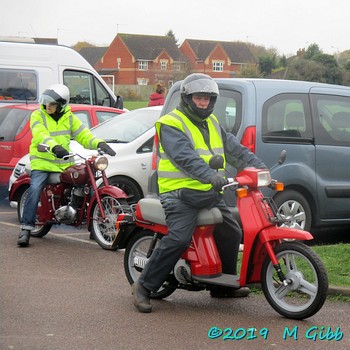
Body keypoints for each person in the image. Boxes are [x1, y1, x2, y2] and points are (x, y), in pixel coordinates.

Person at [132, 73, 267, 313]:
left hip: (207, 193)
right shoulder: (172, 123)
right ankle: (143, 286)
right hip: (180, 194)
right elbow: (185, 158)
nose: (203, 103)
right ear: (187, 98)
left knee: (233, 230)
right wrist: (209, 175)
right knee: (179, 238)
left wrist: (260, 168)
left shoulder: (213, 122)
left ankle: (222, 285)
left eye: (207, 98)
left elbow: (236, 150)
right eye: (198, 98)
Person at [17, 84, 116, 247]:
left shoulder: (69, 118)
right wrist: (54, 147)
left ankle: (94, 227)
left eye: (52, 103)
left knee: (88, 185)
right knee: (34, 189)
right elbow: (40, 134)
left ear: (62, 105)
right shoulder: (38, 116)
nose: (47, 106)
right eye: (46, 102)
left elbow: (84, 135)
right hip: (42, 162)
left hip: (64, 163)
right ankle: (26, 229)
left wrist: (100, 143)